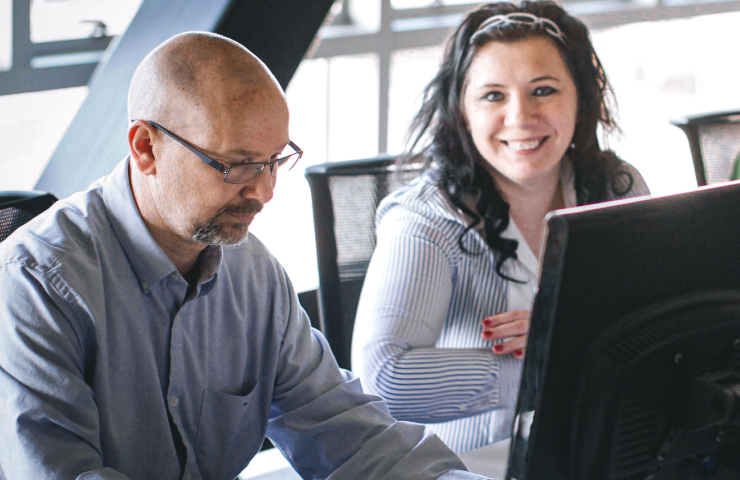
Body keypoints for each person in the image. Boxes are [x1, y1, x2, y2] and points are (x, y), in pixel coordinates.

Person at [0, 32, 489, 480]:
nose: (265, 191)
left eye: (275, 161)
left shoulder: (252, 274)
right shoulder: (35, 284)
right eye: (236, 165)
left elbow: (348, 433)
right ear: (146, 147)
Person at [351, 0, 651, 455]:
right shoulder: (427, 220)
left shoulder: (615, 186)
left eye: (544, 90)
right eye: (493, 95)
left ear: (580, 98)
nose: (520, 116)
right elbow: (385, 379)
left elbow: (660, 311)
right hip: (473, 464)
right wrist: (554, 357)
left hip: (607, 447)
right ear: (462, 112)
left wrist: (571, 330)